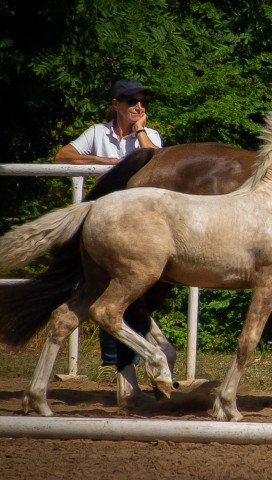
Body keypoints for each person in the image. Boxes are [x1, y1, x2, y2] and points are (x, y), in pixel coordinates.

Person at [55, 78, 162, 380]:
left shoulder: (149, 134)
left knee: (128, 289)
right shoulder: (97, 133)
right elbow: (63, 156)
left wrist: (140, 131)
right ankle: (113, 360)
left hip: (138, 222)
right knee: (106, 287)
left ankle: (126, 360)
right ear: (116, 104)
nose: (139, 106)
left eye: (142, 102)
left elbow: (156, 157)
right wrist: (104, 161)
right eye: (131, 101)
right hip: (102, 220)